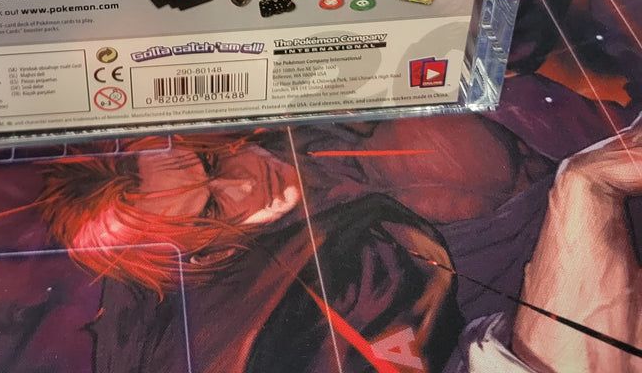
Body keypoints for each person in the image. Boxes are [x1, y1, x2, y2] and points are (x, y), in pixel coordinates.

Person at [36, 121, 642, 372]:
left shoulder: (318, 134)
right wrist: (586, 193)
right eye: (214, 210)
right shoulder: (286, 317)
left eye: (212, 162)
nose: (248, 184)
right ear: (201, 252)